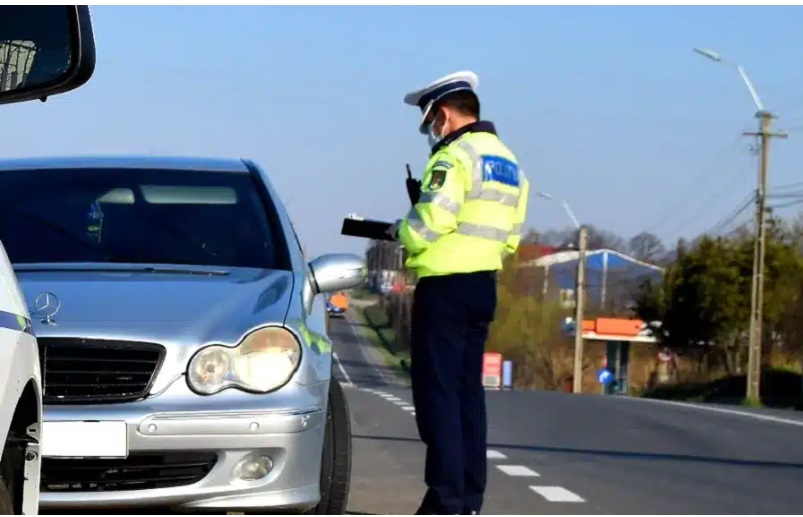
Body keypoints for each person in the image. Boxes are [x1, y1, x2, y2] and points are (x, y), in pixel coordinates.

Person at [386, 71, 530, 515]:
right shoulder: (507, 160)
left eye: (430, 120)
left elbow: (432, 222)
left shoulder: (454, 156)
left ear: (444, 114)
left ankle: (445, 500)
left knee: (438, 396)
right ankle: (468, 497)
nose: (431, 130)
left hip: (445, 287)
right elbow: (511, 236)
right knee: (469, 396)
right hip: (482, 284)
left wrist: (400, 233)